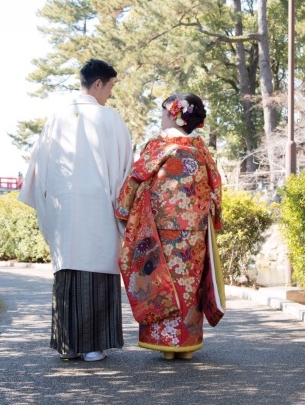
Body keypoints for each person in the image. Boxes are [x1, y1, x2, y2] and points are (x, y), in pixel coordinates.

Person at [19, 58, 133, 362]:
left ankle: (69, 346)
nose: (110, 94)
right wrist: (125, 211)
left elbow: (38, 169)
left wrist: (50, 204)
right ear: (98, 83)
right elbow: (126, 174)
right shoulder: (111, 120)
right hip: (100, 208)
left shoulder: (56, 119)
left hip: (64, 209)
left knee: (68, 272)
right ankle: (94, 346)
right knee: (97, 273)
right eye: (110, 87)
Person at [115, 93, 225, 360]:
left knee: (162, 279)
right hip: (195, 230)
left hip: (161, 227)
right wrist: (213, 217)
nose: (161, 115)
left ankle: (166, 344)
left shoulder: (158, 146)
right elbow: (216, 186)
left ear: (175, 115)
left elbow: (136, 178)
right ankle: (186, 344)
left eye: (164, 111)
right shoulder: (201, 150)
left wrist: (123, 209)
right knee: (190, 283)